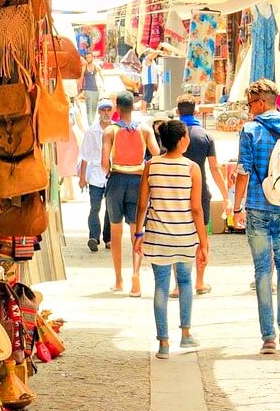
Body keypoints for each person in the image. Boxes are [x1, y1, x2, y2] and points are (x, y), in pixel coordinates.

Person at [235, 79, 280, 354]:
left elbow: (243, 170)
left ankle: (268, 337)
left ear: (262, 102)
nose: (249, 109)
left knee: (263, 270)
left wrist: (235, 207)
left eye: (250, 104)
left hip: (256, 206)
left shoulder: (250, 130)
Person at [135, 119, 208, 359]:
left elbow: (142, 204)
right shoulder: (191, 168)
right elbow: (196, 209)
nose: (188, 139)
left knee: (160, 287)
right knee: (185, 282)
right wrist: (203, 242)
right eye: (186, 136)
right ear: (180, 140)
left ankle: (163, 342)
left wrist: (138, 233)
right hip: (185, 237)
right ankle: (186, 334)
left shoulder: (151, 165)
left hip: (157, 237)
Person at [101, 92, 152, 296]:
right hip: (138, 181)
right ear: (133, 106)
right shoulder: (145, 129)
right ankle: (136, 274)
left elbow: (104, 164)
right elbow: (156, 155)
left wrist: (111, 171)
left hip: (117, 179)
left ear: (117, 108)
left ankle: (118, 279)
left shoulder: (110, 131)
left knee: (115, 232)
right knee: (136, 230)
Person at [174, 96, 225, 295]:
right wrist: (226, 195)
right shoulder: (205, 135)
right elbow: (214, 168)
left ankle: (178, 285)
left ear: (178, 112)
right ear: (195, 112)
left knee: (177, 237)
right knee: (201, 236)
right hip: (200, 192)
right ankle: (199, 281)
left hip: (176, 192)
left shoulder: (171, 133)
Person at [77, 99, 117, 252]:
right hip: (94, 175)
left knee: (110, 208)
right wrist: (82, 178)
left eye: (108, 110)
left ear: (112, 111)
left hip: (112, 173)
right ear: (99, 112)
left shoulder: (116, 130)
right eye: (103, 110)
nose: (106, 113)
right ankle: (93, 236)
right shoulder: (91, 131)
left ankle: (108, 238)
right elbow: (85, 156)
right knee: (95, 207)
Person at [81, 55, 105, 120]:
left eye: (89, 57)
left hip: (96, 89)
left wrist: (104, 86)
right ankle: (90, 125)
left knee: (94, 109)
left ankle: (92, 124)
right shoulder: (84, 67)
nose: (88, 59)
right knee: (89, 108)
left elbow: (102, 76)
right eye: (87, 57)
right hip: (87, 89)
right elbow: (81, 79)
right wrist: (81, 89)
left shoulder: (96, 67)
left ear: (92, 58)